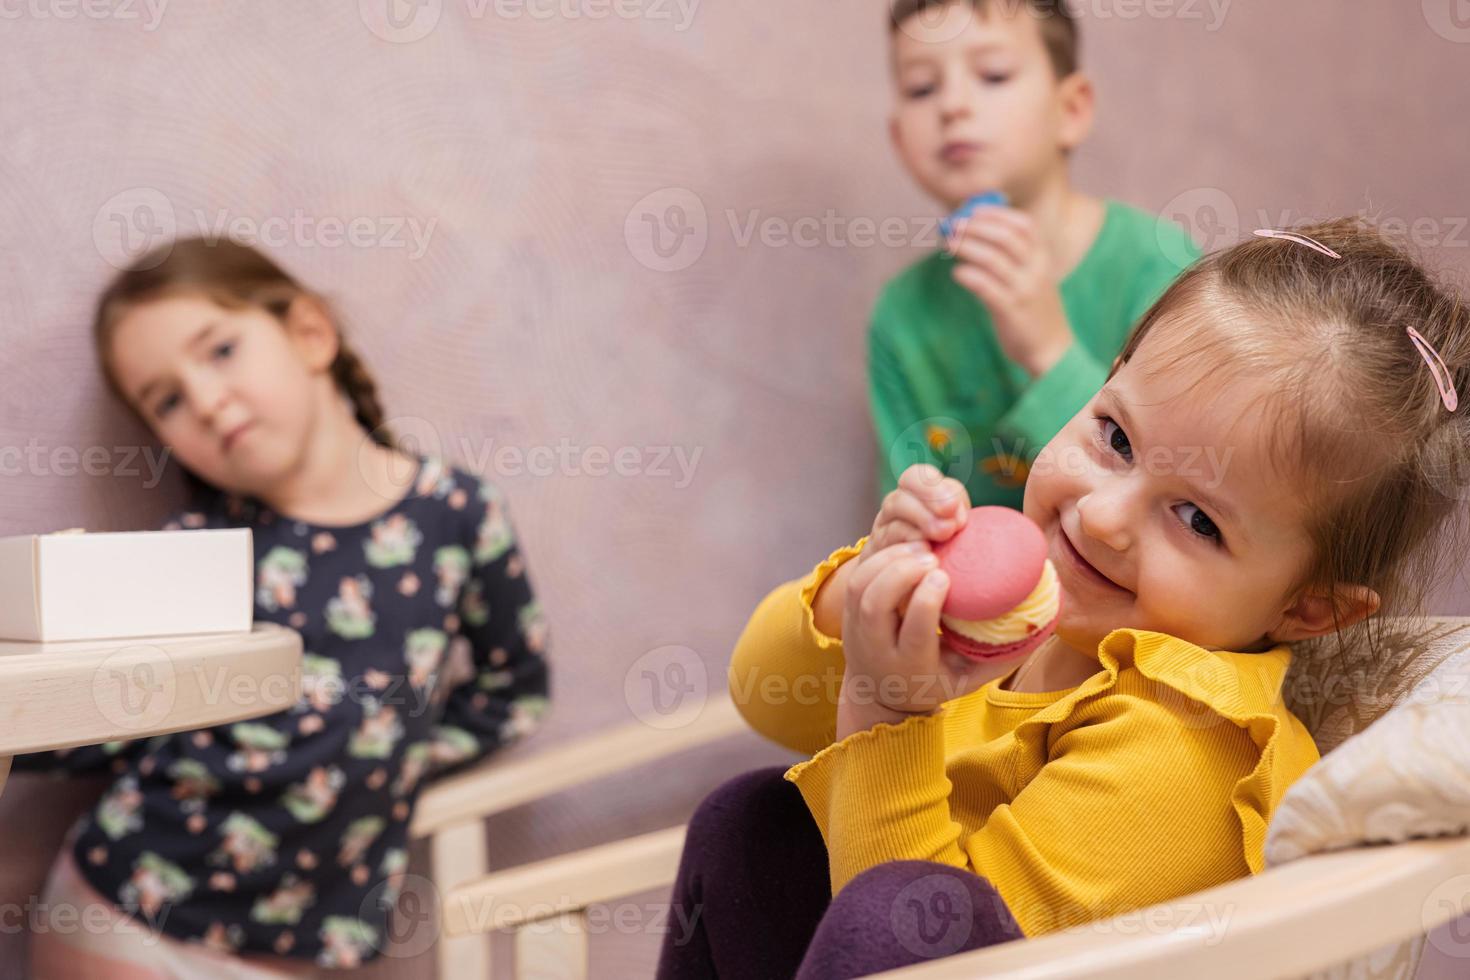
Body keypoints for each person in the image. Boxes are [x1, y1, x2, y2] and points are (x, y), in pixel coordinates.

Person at [658, 218, 1470, 978]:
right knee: (750, 829)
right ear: (1102, 382)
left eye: (1196, 520)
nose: (1104, 515)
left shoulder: (1187, 746)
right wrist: (864, 591)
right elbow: (761, 695)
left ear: (1309, 610)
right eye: (1116, 437)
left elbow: (921, 949)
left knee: (885, 914)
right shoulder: (1037, 617)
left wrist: (887, 711)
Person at [13, 238, 552, 976]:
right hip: (126, 912)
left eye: (221, 350)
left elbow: (515, 692)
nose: (204, 401)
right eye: (166, 399)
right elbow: (115, 720)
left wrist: (387, 753)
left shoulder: (456, 514)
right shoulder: (197, 552)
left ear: (310, 334)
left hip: (305, 944)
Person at [872, 0, 1199, 507]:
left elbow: (1179, 490)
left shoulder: (1162, 266)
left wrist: (1048, 351)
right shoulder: (902, 317)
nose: (952, 105)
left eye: (993, 74)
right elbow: (902, 518)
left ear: (1070, 110)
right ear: (897, 139)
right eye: (922, 88)